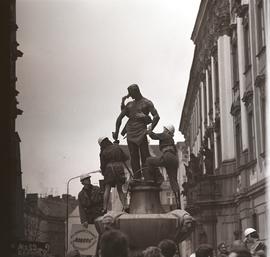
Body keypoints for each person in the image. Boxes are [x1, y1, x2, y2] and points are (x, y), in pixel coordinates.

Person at [112, 84, 161, 180]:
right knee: (134, 156)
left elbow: (156, 116)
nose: (130, 96)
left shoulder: (147, 103)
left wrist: (150, 129)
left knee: (145, 155)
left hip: (142, 132)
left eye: (131, 94)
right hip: (130, 133)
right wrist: (117, 133)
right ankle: (137, 177)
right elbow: (119, 119)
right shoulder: (129, 104)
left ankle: (147, 176)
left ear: (136, 91)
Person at [146, 124, 181, 209]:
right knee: (173, 181)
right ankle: (178, 203)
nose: (163, 130)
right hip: (174, 159)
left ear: (167, 130)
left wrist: (149, 130)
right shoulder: (171, 139)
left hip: (167, 156)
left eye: (164, 129)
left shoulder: (165, 135)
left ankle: (156, 178)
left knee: (149, 161)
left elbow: (153, 136)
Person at [98, 136, 129, 213]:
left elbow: (103, 165)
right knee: (120, 190)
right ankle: (125, 206)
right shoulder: (116, 147)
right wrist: (117, 148)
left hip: (109, 169)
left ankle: (104, 208)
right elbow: (125, 157)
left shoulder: (103, 151)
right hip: (119, 168)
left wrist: (103, 172)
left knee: (107, 188)